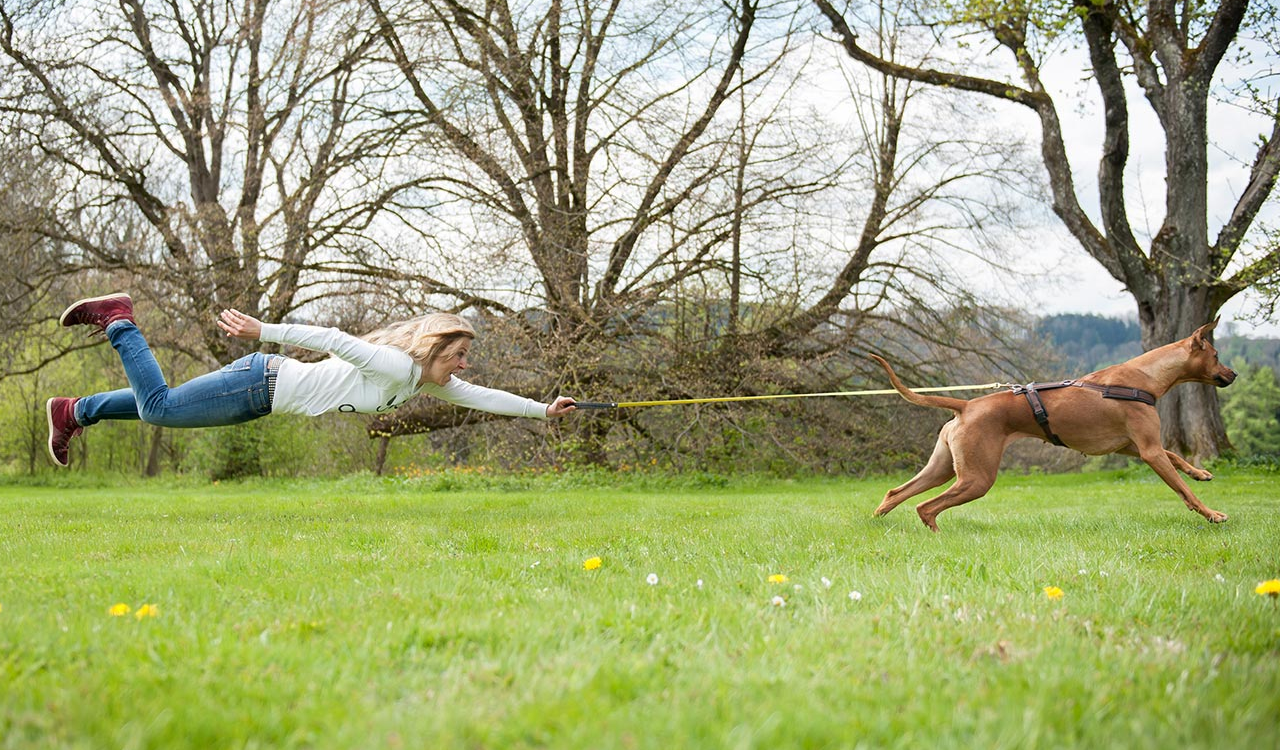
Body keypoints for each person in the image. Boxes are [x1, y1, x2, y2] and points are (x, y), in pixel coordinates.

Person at [45, 293, 577, 466]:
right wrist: (264, 329)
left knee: (161, 405)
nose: (463, 366)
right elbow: (334, 338)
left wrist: (543, 410)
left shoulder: (422, 382)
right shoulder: (398, 366)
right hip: (259, 382)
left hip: (262, 396)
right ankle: (119, 319)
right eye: (458, 354)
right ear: (434, 347)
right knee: (159, 407)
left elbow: (485, 399)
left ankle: (74, 412)